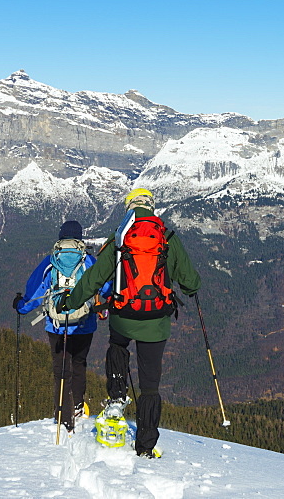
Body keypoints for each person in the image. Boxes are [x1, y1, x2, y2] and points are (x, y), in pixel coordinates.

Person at [56, 188, 201, 458]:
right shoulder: (168, 238)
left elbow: (94, 279)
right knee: (150, 384)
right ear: (151, 207)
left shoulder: (120, 239)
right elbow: (190, 281)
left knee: (118, 347)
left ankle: (117, 396)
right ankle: (146, 444)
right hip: (156, 322)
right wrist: (192, 289)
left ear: (129, 208)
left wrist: (70, 302)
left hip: (123, 317)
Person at [14, 220, 111, 433]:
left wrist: (20, 307)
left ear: (60, 238)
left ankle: (63, 417)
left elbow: (34, 292)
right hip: (84, 324)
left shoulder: (50, 262)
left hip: (57, 326)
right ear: (80, 239)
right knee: (79, 364)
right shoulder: (89, 261)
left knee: (61, 371)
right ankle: (77, 406)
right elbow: (105, 288)